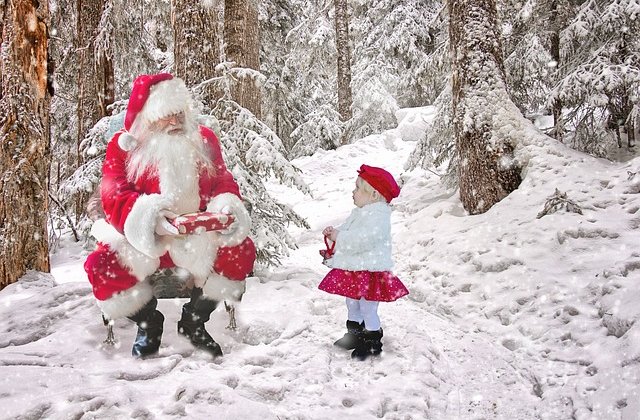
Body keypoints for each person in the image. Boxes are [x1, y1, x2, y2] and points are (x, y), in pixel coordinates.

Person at [84, 73, 256, 358]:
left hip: (195, 232)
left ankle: (194, 322)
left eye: (179, 113)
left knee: (240, 252)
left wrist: (225, 207)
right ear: (148, 118)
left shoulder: (205, 140)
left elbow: (223, 180)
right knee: (102, 266)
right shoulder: (124, 146)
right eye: (166, 116)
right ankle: (148, 323)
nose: (175, 121)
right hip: (143, 236)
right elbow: (113, 193)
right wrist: (150, 220)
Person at [318, 164, 409, 360]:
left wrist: (339, 236)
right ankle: (355, 334)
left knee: (368, 306)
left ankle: (372, 340)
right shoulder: (359, 212)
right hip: (355, 268)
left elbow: (364, 239)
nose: (353, 192)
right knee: (352, 303)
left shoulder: (378, 216)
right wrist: (335, 235)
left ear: (374, 195)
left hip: (370, 269)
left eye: (358, 188)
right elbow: (349, 231)